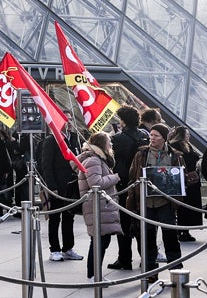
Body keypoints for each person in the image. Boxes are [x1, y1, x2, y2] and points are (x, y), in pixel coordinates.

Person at [128, 124, 182, 281]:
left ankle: (176, 269)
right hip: (146, 202)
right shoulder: (142, 154)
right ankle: (150, 271)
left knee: (170, 236)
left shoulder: (174, 155)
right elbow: (133, 176)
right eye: (151, 135)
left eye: (156, 135)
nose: (152, 138)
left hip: (165, 201)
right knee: (148, 237)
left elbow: (179, 178)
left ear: (164, 138)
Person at [77, 131, 122, 278]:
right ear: (102, 144)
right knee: (99, 242)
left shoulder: (97, 159)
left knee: (101, 241)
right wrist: (115, 177)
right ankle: (93, 275)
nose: (111, 144)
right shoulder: (94, 160)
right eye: (109, 141)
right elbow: (96, 183)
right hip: (97, 206)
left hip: (102, 206)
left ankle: (95, 274)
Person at [109, 106, 147, 270]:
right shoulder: (144, 136)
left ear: (123, 121)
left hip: (124, 184)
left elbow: (112, 161)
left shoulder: (118, 139)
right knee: (142, 221)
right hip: (143, 183)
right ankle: (145, 257)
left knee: (124, 223)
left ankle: (125, 259)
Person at [40, 119, 83, 262]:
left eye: (71, 119)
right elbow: (46, 165)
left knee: (69, 217)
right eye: (66, 120)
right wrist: (52, 187)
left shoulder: (74, 139)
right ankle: (55, 249)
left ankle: (68, 248)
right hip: (57, 186)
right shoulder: (52, 140)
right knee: (54, 218)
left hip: (71, 185)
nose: (69, 122)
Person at [168, 125, 202, 239]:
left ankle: (182, 230)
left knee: (182, 207)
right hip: (187, 181)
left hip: (185, 180)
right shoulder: (181, 146)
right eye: (187, 134)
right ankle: (184, 231)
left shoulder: (174, 145)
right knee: (185, 207)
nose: (189, 137)